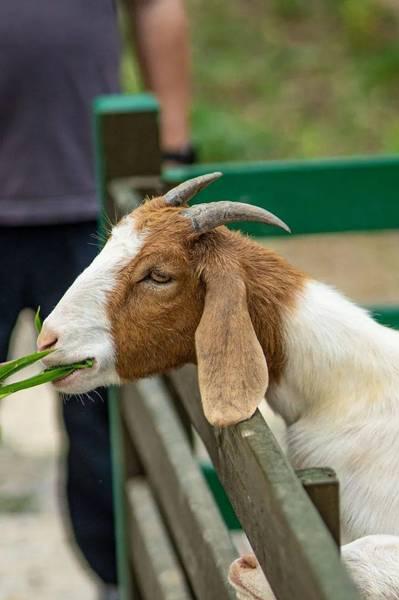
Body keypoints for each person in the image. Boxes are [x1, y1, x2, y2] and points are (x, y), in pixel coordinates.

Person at [0, 1, 195, 597]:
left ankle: (122, 580)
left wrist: (173, 147)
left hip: (86, 205)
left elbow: (158, 5)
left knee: (105, 424)